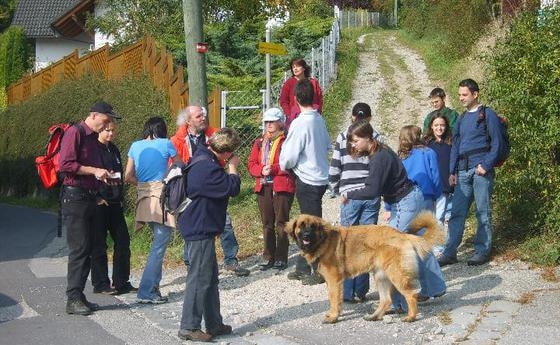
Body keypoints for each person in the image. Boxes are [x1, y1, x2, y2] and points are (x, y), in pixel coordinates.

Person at [344, 120, 445, 313]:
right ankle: (435, 287)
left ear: (368, 138)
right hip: (412, 197)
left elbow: (372, 191)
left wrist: (349, 194)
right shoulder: (381, 150)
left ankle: (397, 303)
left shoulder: (378, 158)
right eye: (351, 141)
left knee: (390, 250)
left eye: (356, 141)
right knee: (416, 245)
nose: (353, 145)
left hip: (405, 202)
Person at [177, 128, 241, 342]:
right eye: (230, 154)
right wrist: (232, 168)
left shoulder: (202, 156)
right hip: (199, 227)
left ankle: (213, 323)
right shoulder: (207, 167)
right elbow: (232, 187)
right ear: (225, 153)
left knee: (209, 277)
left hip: (200, 224)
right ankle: (189, 327)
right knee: (199, 278)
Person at [170, 106, 249, 277]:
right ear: (188, 120)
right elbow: (174, 164)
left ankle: (230, 260)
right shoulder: (177, 140)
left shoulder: (213, 135)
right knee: (195, 226)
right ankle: (191, 264)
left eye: (204, 114)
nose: (203, 118)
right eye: (199, 116)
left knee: (224, 223)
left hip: (214, 182)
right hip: (194, 187)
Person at [59, 101, 120, 315]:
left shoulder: (94, 139)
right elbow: (64, 165)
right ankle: (73, 298)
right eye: (105, 120)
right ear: (94, 115)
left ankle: (79, 296)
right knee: (79, 249)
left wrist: (102, 180)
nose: (107, 125)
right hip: (75, 198)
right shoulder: (74, 133)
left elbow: (93, 171)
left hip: (90, 197)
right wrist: (94, 170)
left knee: (90, 248)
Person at [438, 79, 502, 267]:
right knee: (457, 212)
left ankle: (482, 251)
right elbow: (456, 145)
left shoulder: (487, 114)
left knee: (483, 211)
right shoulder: (461, 118)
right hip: (463, 172)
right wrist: (452, 170)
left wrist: (486, 165)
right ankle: (450, 252)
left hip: (480, 170)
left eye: (464, 95)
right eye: (459, 95)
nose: (461, 98)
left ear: (475, 94)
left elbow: (496, 143)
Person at [328, 102, 382, 303]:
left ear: (352, 117)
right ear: (369, 118)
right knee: (366, 243)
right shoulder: (375, 137)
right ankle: (361, 290)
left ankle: (348, 292)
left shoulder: (343, 137)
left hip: (349, 195)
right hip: (370, 194)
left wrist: (335, 189)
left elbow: (335, 166)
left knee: (348, 243)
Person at [280, 78, 331, 286]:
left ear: (295, 98)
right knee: (308, 220)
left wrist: (285, 164)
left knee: (311, 228)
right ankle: (302, 266)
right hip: (320, 176)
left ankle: (319, 270)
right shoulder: (319, 119)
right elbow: (328, 144)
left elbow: (289, 156)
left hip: (307, 178)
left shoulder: (300, 123)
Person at [125, 117, 178, 303]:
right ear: (162, 129)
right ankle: (147, 291)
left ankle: (152, 288)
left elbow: (127, 175)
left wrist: (143, 184)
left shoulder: (135, 145)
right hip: (161, 198)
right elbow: (178, 168)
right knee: (159, 246)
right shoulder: (166, 143)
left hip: (143, 199)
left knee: (157, 243)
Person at [91, 121, 136, 295]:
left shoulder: (114, 149)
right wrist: (97, 197)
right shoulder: (93, 150)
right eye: (106, 131)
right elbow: (89, 176)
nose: (110, 134)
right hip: (100, 203)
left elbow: (117, 175)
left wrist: (120, 196)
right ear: (99, 130)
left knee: (123, 241)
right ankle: (101, 283)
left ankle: (121, 282)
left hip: (116, 203)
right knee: (99, 245)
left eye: (112, 130)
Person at [248, 108, 295, 271]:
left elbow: (290, 163)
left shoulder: (287, 140)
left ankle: (281, 257)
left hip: (281, 185)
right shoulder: (259, 142)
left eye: (272, 122)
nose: (269, 125)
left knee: (281, 221)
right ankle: (268, 256)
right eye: (266, 122)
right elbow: (252, 164)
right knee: (267, 222)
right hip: (263, 185)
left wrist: (273, 169)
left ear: (280, 122)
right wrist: (261, 170)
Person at [424, 114, 454, 257]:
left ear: (446, 126)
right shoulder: (426, 144)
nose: (439, 128)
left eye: (442, 125)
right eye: (436, 125)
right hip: (429, 187)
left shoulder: (450, 143)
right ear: (431, 126)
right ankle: (427, 246)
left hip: (444, 186)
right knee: (429, 218)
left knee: (440, 217)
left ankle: (438, 249)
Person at [279, 58, 323, 130]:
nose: (295, 69)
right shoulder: (289, 83)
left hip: (312, 116)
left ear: (304, 68)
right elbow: (283, 101)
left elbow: (319, 98)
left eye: (297, 66)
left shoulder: (313, 82)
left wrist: (318, 112)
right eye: (293, 67)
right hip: (294, 119)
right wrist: (290, 114)